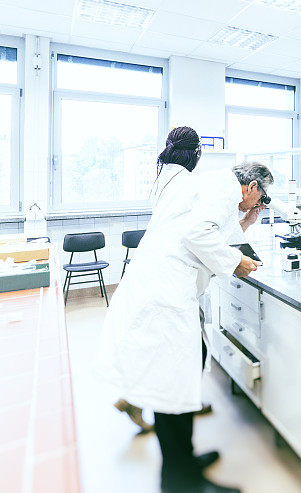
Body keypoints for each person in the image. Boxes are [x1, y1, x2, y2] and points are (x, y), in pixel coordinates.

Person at [97, 162, 272, 493]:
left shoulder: (213, 186)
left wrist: (246, 223)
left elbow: (209, 232)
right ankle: (180, 481)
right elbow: (199, 234)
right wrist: (236, 261)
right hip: (166, 297)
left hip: (165, 290)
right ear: (250, 187)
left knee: (185, 371)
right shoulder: (223, 188)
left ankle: (185, 462)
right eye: (262, 196)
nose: (260, 202)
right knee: (171, 385)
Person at [113, 126, 206, 434]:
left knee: (160, 344)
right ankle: (168, 402)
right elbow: (198, 233)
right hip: (170, 277)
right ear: (195, 152)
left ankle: (137, 399)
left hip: (150, 271)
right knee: (179, 348)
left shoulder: (164, 179)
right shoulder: (188, 183)